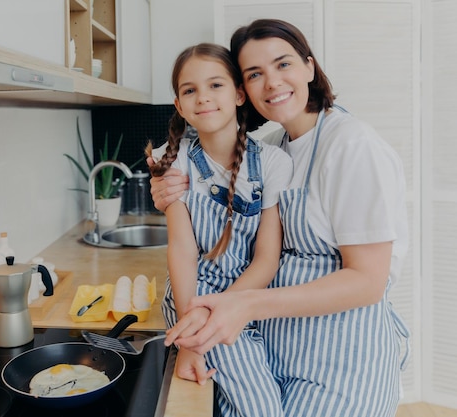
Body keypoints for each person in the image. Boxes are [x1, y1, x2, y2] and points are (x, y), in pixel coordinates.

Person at [149, 19, 410, 417]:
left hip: (342, 356)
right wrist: (165, 192)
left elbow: (368, 281)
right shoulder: (272, 147)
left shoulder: (352, 146)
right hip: (276, 345)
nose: (271, 83)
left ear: (309, 67)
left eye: (283, 64)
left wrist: (240, 306)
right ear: (245, 89)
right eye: (255, 73)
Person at [147, 43, 292, 417]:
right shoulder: (173, 158)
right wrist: (190, 339)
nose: (203, 98)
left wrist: (228, 309)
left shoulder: (273, 163)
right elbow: (182, 251)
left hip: (247, 299)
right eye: (189, 90)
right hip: (192, 299)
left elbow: (266, 259)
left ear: (239, 94)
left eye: (215, 85)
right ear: (178, 105)